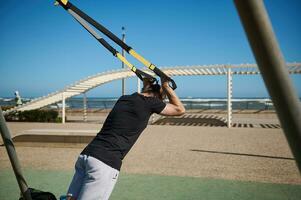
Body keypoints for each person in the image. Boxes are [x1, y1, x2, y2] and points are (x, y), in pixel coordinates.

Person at [66, 77, 185, 200]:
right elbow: (180, 109)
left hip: (87, 156)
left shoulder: (124, 99)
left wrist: (147, 84)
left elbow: (143, 95)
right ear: (158, 97)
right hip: (105, 162)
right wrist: (166, 87)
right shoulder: (151, 102)